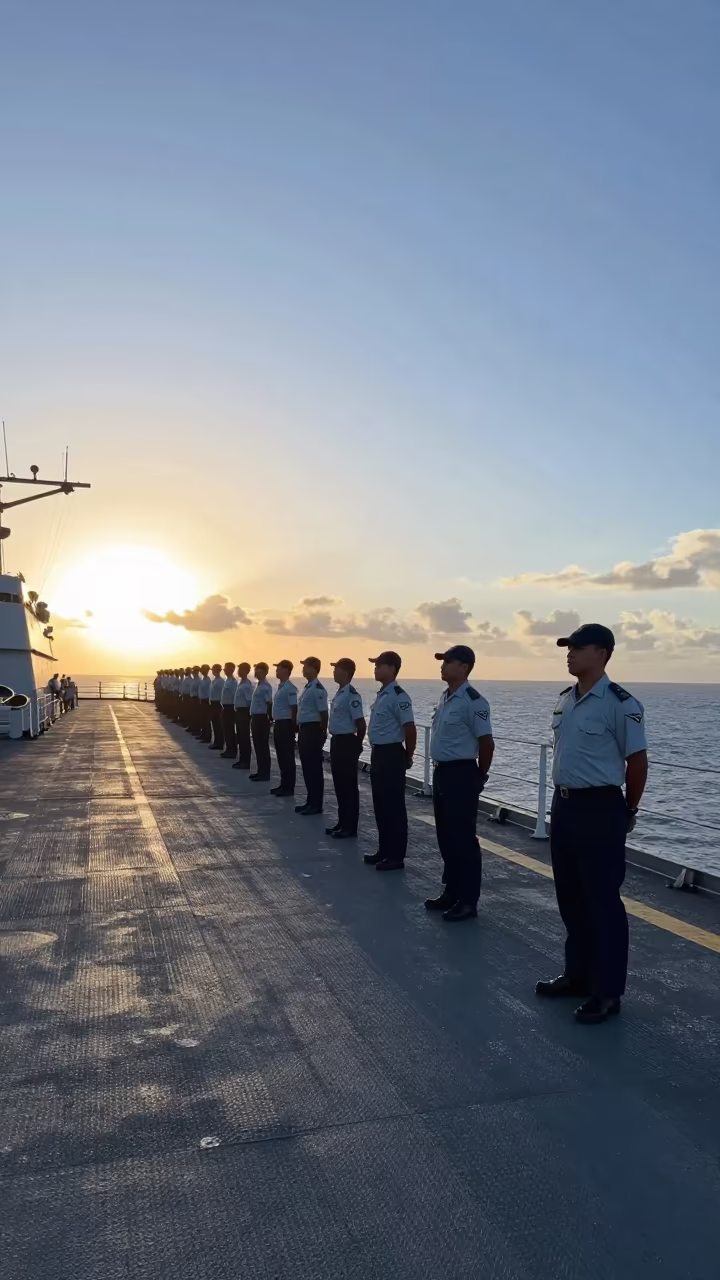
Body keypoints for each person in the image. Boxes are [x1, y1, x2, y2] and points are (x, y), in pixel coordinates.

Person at [536, 623, 648, 1025]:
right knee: (571, 897)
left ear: (602, 653)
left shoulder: (621, 704)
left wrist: (628, 811)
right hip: (564, 806)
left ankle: (607, 991)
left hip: (601, 809)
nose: (569, 654)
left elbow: (637, 762)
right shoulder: (566, 700)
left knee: (602, 902)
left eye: (578, 648)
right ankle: (578, 975)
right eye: (569, 648)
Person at [426, 645, 494, 922]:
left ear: (463, 667)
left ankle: (468, 901)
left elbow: (486, 743)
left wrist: (480, 775)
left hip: (462, 774)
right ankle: (451, 892)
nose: (442, 666)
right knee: (446, 837)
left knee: (463, 839)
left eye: (447, 662)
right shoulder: (446, 697)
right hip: (442, 772)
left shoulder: (474, 701)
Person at [365, 651, 416, 871]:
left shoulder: (398, 696)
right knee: (380, 804)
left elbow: (410, 728)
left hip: (392, 754)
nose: (375, 669)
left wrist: (408, 755)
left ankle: (396, 856)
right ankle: (384, 850)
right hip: (378, 753)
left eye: (379, 665)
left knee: (394, 807)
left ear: (392, 668)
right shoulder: (383, 694)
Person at [326, 658, 366, 839]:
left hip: (347, 742)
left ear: (346, 672)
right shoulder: (340, 693)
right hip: (337, 741)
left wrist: (356, 745)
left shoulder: (351, 695)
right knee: (339, 784)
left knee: (348, 786)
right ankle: (342, 822)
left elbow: (361, 724)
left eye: (337, 669)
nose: (334, 672)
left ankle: (350, 827)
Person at [295, 657, 329, 816]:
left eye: (306, 666)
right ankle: (310, 801)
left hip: (313, 730)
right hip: (304, 730)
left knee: (314, 769)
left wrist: (322, 734)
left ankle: (316, 804)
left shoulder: (318, 689)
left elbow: (324, 714)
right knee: (307, 768)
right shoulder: (308, 688)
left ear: (314, 668)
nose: (303, 669)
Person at [271, 661, 298, 796]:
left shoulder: (290, 688)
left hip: (286, 724)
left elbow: (294, 709)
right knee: (281, 756)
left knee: (287, 757)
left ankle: (289, 787)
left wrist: (292, 727)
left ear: (286, 670)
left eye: (279, 669)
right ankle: (283, 784)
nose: (276, 671)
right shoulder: (281, 687)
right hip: (279, 723)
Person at [250, 662, 273, 780]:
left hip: (262, 718)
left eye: (258, 671)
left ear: (265, 672)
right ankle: (260, 771)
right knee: (258, 746)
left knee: (263, 747)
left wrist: (269, 719)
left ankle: (265, 773)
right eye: (255, 671)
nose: (256, 673)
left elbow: (269, 703)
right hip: (255, 717)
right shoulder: (258, 685)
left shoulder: (265, 687)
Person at [232, 663, 254, 769]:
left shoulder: (247, 685)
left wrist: (249, 715)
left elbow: (250, 701)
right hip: (239, 711)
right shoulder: (241, 683)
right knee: (240, 736)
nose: (238, 671)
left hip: (244, 712)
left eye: (240, 669)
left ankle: (245, 761)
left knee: (244, 737)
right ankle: (242, 759)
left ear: (246, 671)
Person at [220, 662, 238, 758]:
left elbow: (234, 696)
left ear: (232, 669)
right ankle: (228, 748)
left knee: (230, 730)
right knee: (226, 730)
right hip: (225, 707)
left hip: (230, 708)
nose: (225, 670)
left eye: (227, 668)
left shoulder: (233, 682)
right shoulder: (227, 681)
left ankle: (232, 750)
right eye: (224, 668)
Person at [208, 663, 225, 750]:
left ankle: (220, 743)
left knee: (218, 724)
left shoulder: (221, 682)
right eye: (213, 670)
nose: (213, 672)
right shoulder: (214, 681)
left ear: (219, 671)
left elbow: (223, 694)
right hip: (213, 703)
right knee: (214, 723)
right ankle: (216, 741)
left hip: (218, 703)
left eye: (215, 670)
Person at [197, 663, 212, 742]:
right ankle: (203, 734)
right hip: (202, 700)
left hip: (206, 701)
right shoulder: (204, 679)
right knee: (202, 718)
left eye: (203, 670)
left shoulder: (208, 680)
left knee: (206, 720)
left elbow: (209, 692)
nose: (201, 671)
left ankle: (207, 736)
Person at [188, 665, 201, 734]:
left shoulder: (198, 680)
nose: (193, 672)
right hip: (192, 698)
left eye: (194, 671)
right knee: (192, 714)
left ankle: (196, 729)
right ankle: (192, 727)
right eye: (192, 671)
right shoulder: (194, 680)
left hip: (196, 698)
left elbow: (200, 690)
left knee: (196, 715)